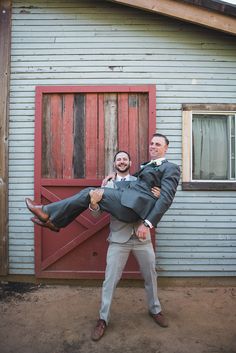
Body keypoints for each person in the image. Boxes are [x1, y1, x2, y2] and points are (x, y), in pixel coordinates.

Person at [25, 133, 180, 240]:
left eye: (158, 144)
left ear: (166, 148)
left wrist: (147, 224)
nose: (153, 146)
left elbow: (166, 199)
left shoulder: (170, 167)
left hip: (134, 209)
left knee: (88, 192)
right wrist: (114, 179)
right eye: (151, 143)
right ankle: (55, 223)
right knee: (89, 196)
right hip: (128, 201)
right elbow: (139, 184)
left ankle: (47, 212)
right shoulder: (147, 165)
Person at [89, 151, 166, 341]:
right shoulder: (107, 185)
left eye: (125, 159)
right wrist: (94, 204)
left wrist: (159, 195)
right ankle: (103, 319)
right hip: (118, 239)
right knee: (110, 280)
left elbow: (152, 205)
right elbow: (97, 215)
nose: (122, 161)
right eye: (118, 159)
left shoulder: (142, 180)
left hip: (142, 237)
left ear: (130, 162)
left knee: (151, 275)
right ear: (114, 163)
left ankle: (155, 310)